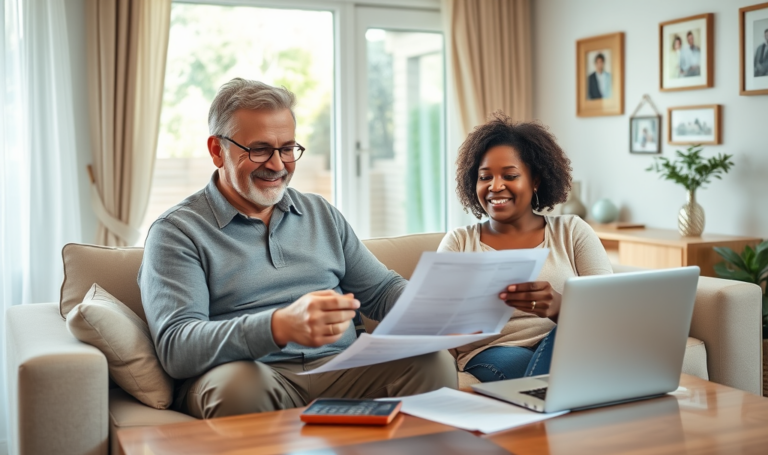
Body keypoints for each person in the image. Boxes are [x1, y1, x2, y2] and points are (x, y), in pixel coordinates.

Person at [139, 78, 457, 419]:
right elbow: (178, 346)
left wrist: (440, 307)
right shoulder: (177, 232)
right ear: (218, 150)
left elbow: (381, 292)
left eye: (288, 149)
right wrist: (277, 326)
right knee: (240, 386)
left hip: (342, 368)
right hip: (252, 373)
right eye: (260, 149)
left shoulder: (320, 213)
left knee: (431, 360)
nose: (277, 165)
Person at [438, 113, 612, 382]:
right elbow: (436, 324)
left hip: (561, 339)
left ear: (535, 181)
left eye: (509, 175)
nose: (495, 186)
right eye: (485, 177)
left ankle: (541, 399)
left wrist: (559, 307)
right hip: (495, 352)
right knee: (528, 366)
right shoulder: (459, 242)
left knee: (569, 335)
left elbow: (607, 313)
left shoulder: (572, 231)